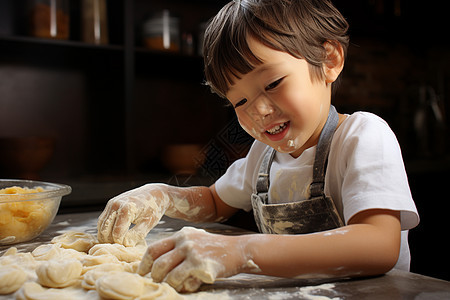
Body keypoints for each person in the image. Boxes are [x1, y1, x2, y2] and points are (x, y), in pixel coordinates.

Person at [97, 0, 419, 293]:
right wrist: (161, 195)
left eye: (273, 84)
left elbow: (378, 244)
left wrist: (243, 251)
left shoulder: (363, 138)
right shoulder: (262, 157)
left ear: (329, 60)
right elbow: (213, 201)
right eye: (239, 101)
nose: (258, 110)